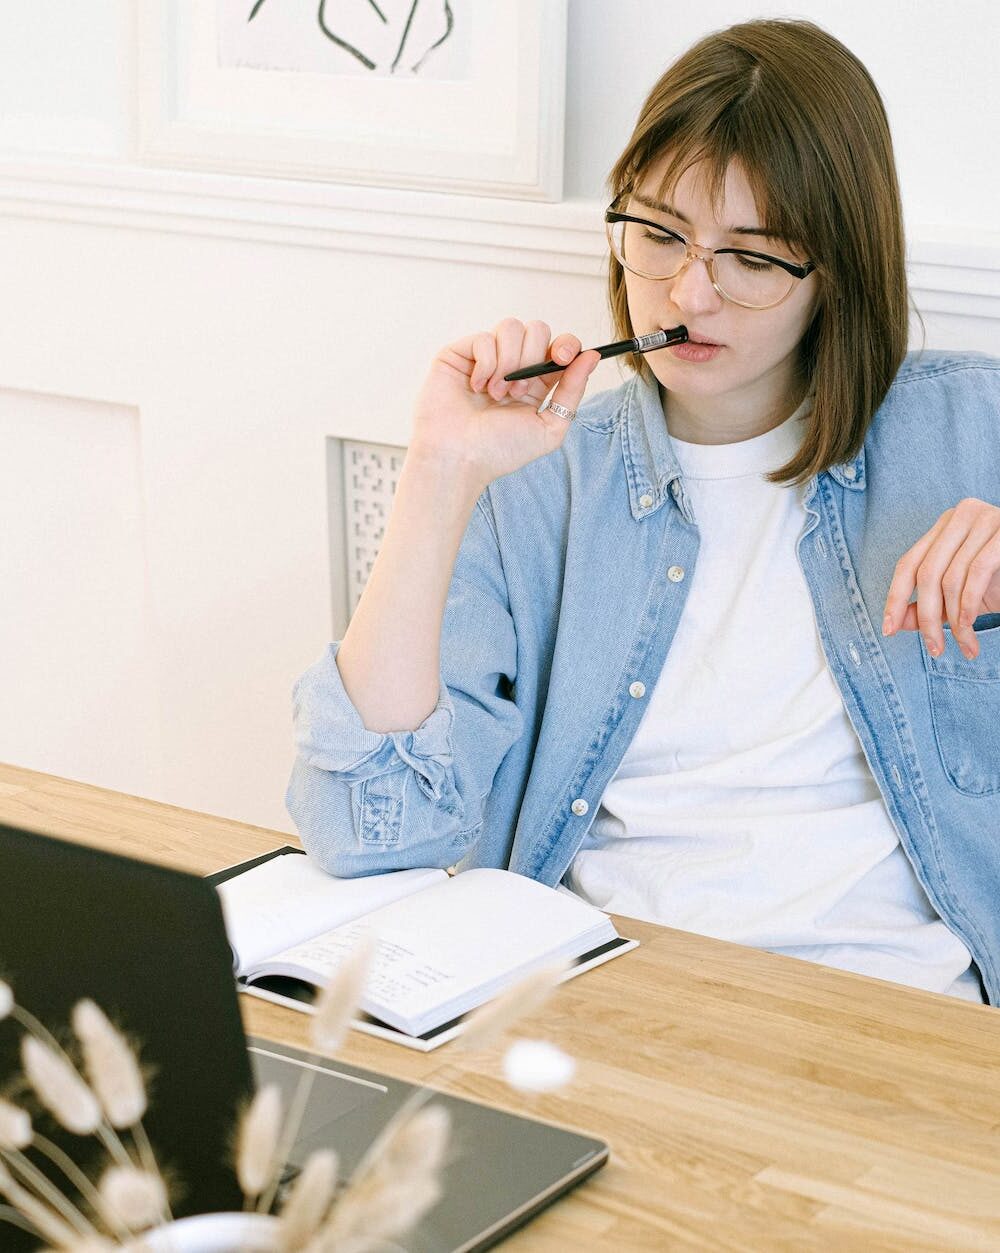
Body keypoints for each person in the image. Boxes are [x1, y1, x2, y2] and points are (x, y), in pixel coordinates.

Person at [286, 18, 1000, 1006]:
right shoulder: (539, 476)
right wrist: (440, 473)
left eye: (750, 257)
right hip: (602, 998)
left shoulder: (970, 428)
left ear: (831, 272)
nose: (687, 291)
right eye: (658, 235)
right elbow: (369, 829)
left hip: (891, 1008)